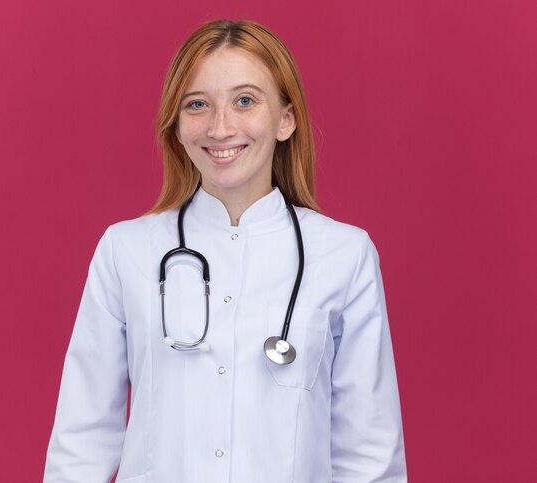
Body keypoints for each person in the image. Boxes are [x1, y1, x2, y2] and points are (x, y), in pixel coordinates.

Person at [44, 19, 407, 483]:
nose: (220, 127)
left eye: (245, 101)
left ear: (285, 120)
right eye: (198, 105)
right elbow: (82, 439)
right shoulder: (126, 251)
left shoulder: (343, 254)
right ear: (177, 126)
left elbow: (368, 453)